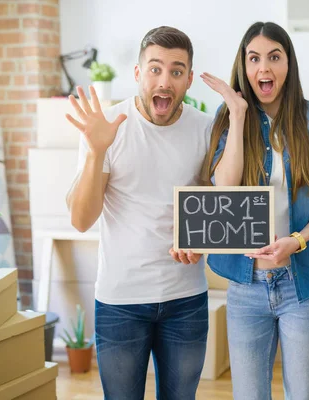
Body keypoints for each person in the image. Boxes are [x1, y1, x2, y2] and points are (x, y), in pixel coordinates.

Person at [200, 21, 309, 399]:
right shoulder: (230, 118)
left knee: (303, 393)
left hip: (304, 284)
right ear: (244, 66)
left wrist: (296, 241)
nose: (263, 68)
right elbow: (224, 189)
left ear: (288, 64)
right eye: (254, 59)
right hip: (247, 285)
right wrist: (236, 114)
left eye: (274, 57)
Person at [65, 26, 212, 400]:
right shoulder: (107, 127)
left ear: (189, 79)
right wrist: (97, 151)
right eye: (155, 69)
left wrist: (200, 242)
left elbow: (212, 204)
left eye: (177, 71)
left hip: (186, 299)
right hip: (120, 301)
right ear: (137, 73)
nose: (165, 80)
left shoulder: (205, 129)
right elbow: (82, 220)